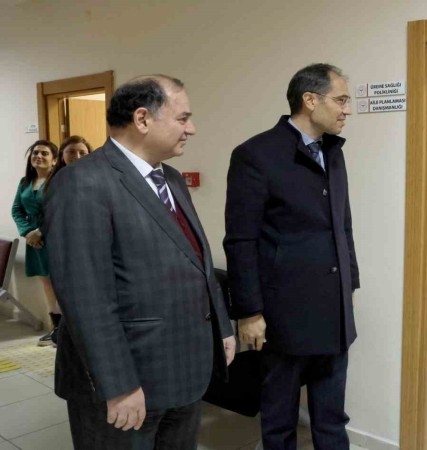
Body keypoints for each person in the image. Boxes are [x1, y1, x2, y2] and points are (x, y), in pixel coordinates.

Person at [44, 75, 236, 450]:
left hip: (181, 371)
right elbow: (85, 296)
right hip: (127, 380)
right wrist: (119, 385)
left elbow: (195, 260)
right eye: (183, 119)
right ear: (143, 119)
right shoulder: (82, 182)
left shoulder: (172, 180)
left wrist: (222, 328)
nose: (191, 129)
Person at [224, 63, 359, 450]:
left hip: (333, 309)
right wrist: (249, 312)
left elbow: (343, 225)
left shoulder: (333, 152)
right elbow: (241, 240)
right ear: (310, 100)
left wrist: (350, 284)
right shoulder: (256, 155)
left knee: (332, 418)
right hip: (283, 313)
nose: (347, 109)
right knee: (280, 418)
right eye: (341, 100)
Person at [11, 139, 60, 346]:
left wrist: (41, 231)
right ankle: (56, 329)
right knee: (47, 284)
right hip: (34, 242)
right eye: (35, 153)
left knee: (60, 284)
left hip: (55, 237)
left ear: (54, 160)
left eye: (44, 153)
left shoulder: (58, 181)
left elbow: (61, 210)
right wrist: (28, 232)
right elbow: (17, 210)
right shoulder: (25, 182)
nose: (38, 156)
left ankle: (68, 330)